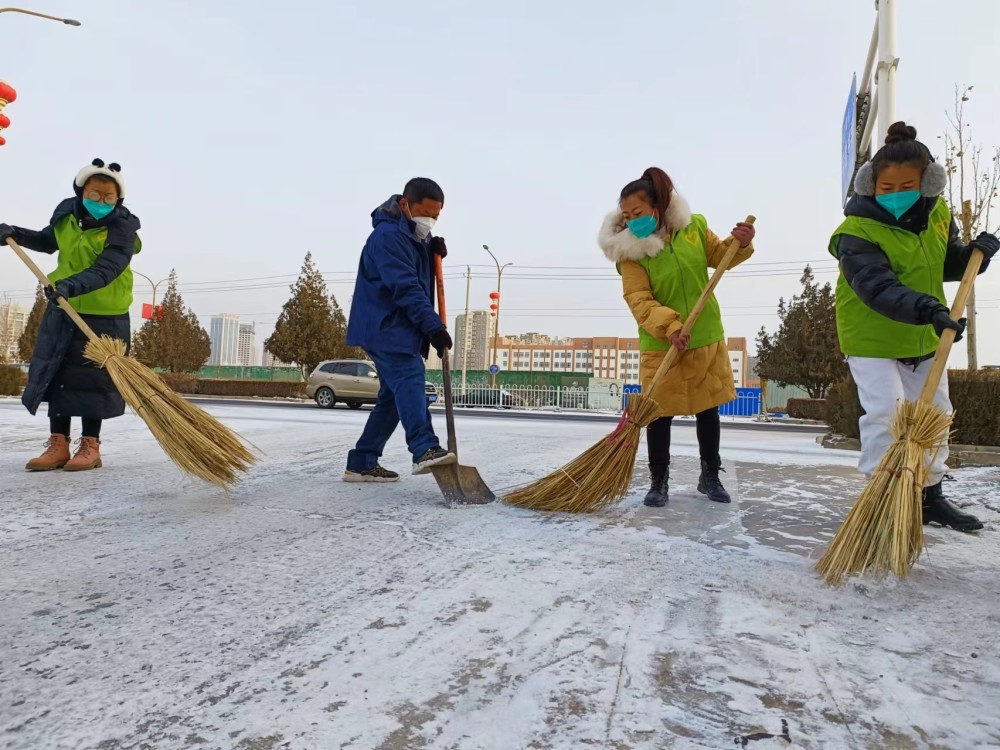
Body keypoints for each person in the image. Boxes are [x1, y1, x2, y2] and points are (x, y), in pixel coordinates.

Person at [831, 121, 998, 532]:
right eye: (887, 188)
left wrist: (974, 255)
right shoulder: (855, 232)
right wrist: (929, 310)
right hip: (872, 337)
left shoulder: (937, 213)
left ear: (927, 183)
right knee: (888, 415)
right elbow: (877, 287)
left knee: (935, 415)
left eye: (908, 185)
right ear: (870, 185)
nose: (898, 195)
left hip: (924, 333)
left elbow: (945, 262)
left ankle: (930, 495)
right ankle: (881, 496)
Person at [599, 167, 755, 507]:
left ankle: (710, 475)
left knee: (707, 410)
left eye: (637, 213)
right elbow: (638, 300)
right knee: (658, 414)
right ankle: (659, 480)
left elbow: (720, 256)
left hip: (704, 334)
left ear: (658, 206)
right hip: (661, 341)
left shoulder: (693, 227)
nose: (632, 221)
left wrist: (741, 243)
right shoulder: (631, 253)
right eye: (626, 216)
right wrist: (669, 326)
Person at [0, 158, 141, 471]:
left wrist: (73, 285)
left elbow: (109, 267)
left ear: (118, 200)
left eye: (109, 199)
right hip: (63, 305)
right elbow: (47, 241)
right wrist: (17, 234)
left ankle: (90, 446)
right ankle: (58, 444)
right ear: (81, 191)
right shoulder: (67, 218)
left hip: (105, 314)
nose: (101, 203)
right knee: (58, 374)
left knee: (93, 379)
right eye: (94, 195)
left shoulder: (123, 228)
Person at [343, 178, 457, 482]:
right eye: (426, 213)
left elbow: (417, 279)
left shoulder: (410, 237)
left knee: (392, 399)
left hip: (395, 325)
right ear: (405, 203)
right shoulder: (388, 237)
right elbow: (406, 288)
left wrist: (431, 254)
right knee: (409, 379)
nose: (430, 220)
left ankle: (362, 461)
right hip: (386, 326)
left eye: (436, 216)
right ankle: (424, 448)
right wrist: (433, 327)